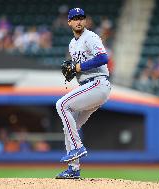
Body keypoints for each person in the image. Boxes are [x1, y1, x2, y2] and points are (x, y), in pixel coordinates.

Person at [55, 8, 111, 179]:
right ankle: (73, 169)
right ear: (69, 22)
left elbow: (103, 58)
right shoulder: (72, 44)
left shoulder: (91, 37)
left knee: (61, 104)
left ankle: (78, 147)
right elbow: (79, 68)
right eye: (75, 18)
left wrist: (77, 67)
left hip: (98, 83)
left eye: (81, 18)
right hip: (89, 86)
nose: (78, 21)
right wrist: (73, 72)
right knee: (70, 126)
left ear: (85, 21)